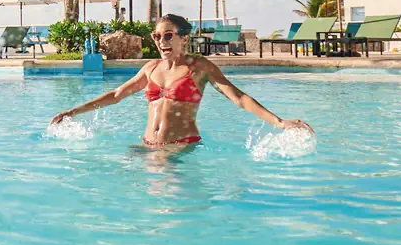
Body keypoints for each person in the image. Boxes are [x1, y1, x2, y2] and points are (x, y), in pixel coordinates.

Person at [50, 14, 313, 146]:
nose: (161, 41)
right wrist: (73, 112)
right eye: (156, 36)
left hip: (180, 148)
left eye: (168, 35)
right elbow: (116, 95)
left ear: (184, 38)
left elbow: (239, 98)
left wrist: (279, 122)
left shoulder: (200, 68)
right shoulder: (150, 68)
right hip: (147, 145)